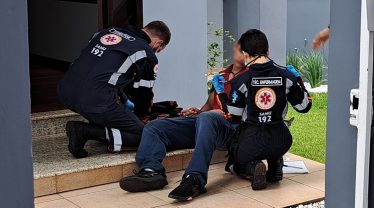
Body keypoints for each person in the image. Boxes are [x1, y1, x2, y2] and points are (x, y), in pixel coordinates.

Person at [118, 42, 248, 198]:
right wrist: (198, 111)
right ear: (235, 48)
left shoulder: (250, 77)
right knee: (155, 127)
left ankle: (194, 179)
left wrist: (213, 114)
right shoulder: (222, 76)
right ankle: (151, 171)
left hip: (228, 129)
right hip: (205, 122)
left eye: (247, 51)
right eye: (241, 48)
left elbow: (244, 115)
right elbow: (209, 104)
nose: (244, 53)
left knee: (207, 118)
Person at [57, 21, 171, 158]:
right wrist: (139, 116)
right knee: (146, 135)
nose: (156, 52)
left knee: (109, 101)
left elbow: (102, 71)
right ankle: (85, 131)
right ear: (159, 43)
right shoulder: (146, 53)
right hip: (95, 101)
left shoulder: (106, 32)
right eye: (159, 50)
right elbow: (143, 95)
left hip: (66, 92)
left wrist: (123, 100)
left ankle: (99, 122)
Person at [219, 29, 312, 191]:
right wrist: (298, 80)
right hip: (282, 141)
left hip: (251, 142)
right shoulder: (286, 77)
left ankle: (254, 167)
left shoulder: (241, 81)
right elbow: (304, 107)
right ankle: (275, 164)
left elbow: (232, 118)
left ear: (245, 54)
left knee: (235, 161)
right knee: (272, 144)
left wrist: (221, 93)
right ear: (267, 51)